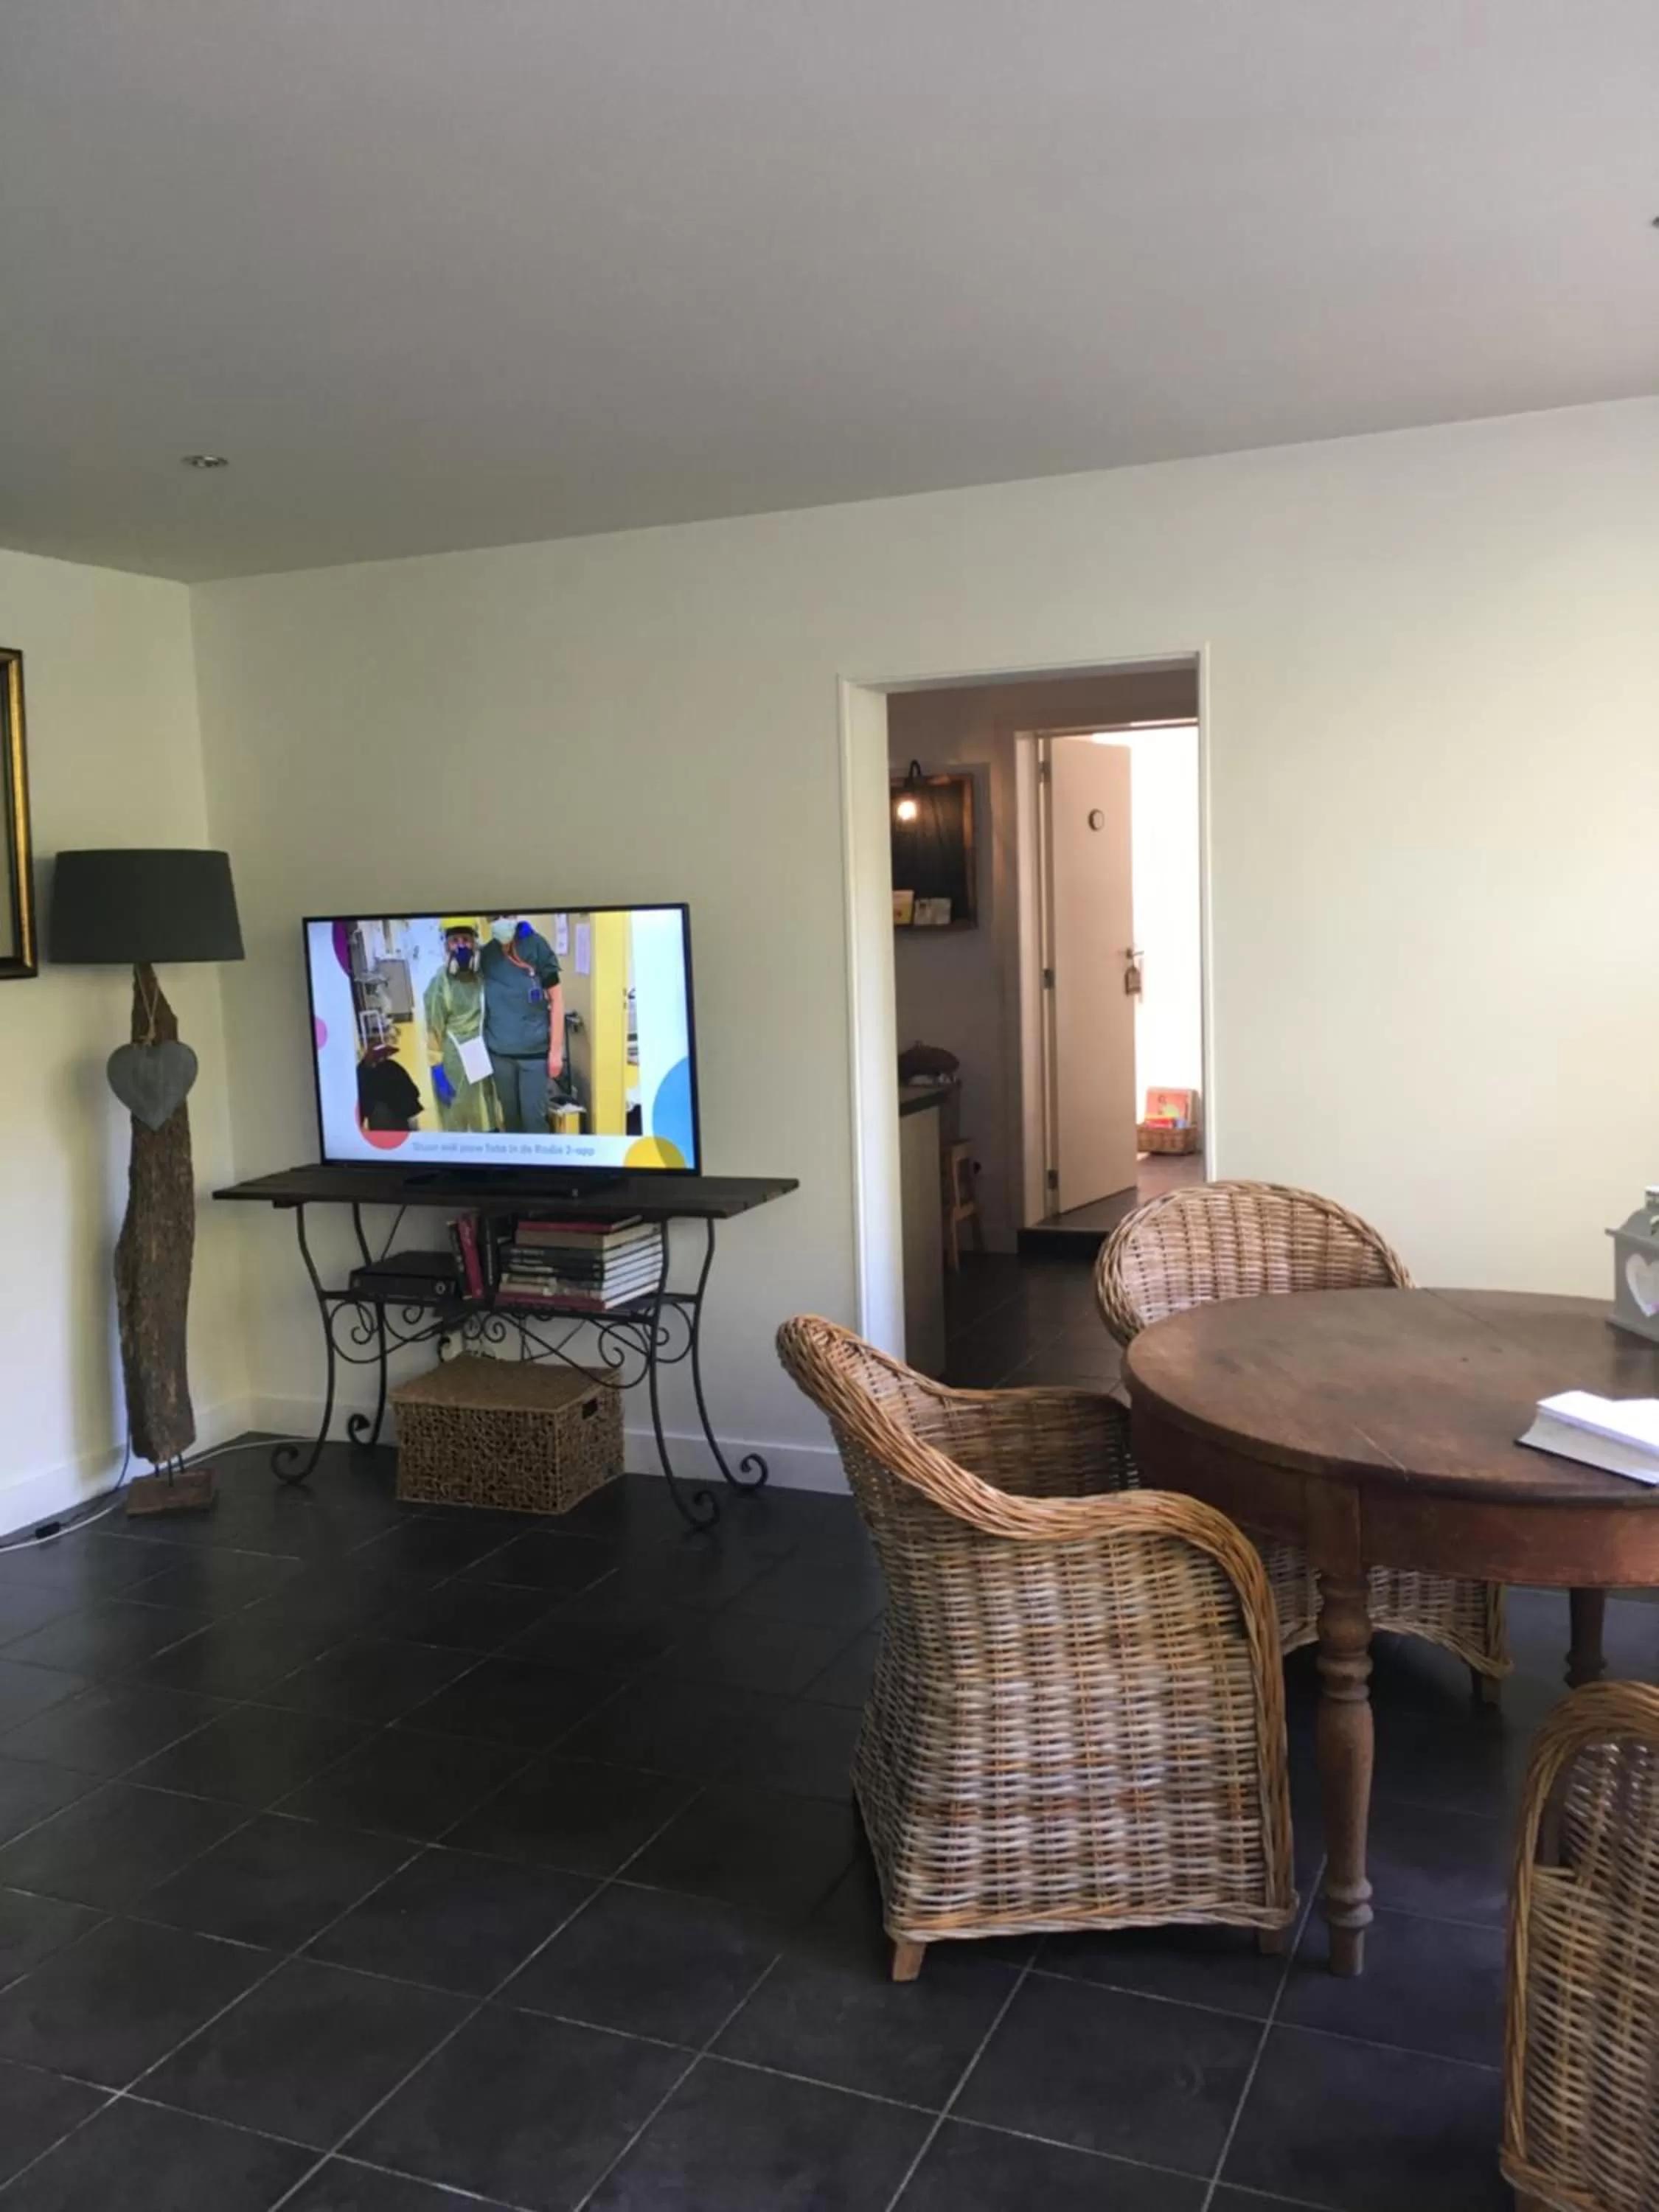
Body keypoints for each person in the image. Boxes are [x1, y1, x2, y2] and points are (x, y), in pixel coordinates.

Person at [480, 912, 563, 1133]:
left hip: (534, 1056)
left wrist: (556, 1052)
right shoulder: (486, 955)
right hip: (500, 1055)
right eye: (496, 916)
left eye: (507, 914)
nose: (501, 920)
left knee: (534, 1121)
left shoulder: (537, 947)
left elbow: (557, 999)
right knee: (510, 1121)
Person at [422, 917, 497, 1131]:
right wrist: (437, 1069)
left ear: (475, 943)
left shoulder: (481, 976)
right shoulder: (440, 982)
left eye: (466, 939)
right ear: (446, 945)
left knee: (484, 1113)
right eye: (455, 941)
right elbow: (434, 1030)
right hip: (453, 1059)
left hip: (481, 1055)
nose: (461, 946)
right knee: (457, 1117)